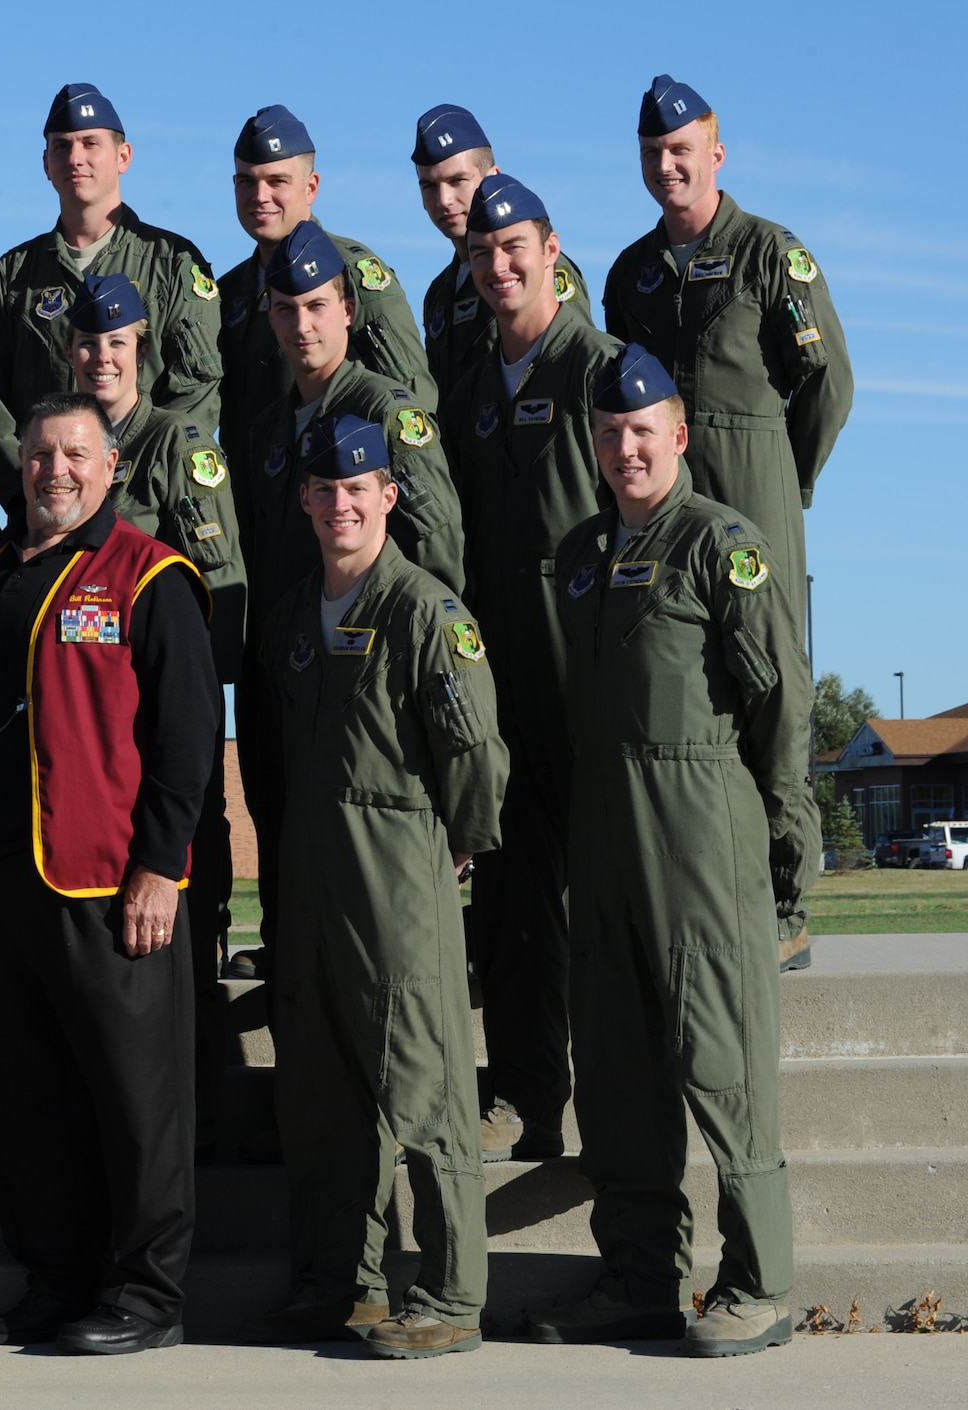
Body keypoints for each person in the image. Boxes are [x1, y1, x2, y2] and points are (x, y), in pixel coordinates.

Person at [0, 393, 221, 1355]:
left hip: (104, 885)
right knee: (26, 1102)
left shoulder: (149, 574)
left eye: (76, 454)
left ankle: (147, 1294)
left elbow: (184, 737)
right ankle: (56, 1280)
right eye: (41, 453)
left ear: (112, 465)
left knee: (134, 1101)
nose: (56, 470)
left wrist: (161, 869)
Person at [530, 346, 804, 1357]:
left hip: (700, 834)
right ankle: (639, 1277)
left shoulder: (717, 545)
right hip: (604, 840)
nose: (624, 448)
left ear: (678, 437)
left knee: (720, 1061)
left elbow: (775, 702)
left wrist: (786, 842)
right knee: (612, 1070)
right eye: (608, 434)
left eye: (641, 431)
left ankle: (759, 1284)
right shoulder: (580, 555)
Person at [243, 413, 507, 1359]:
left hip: (397, 875)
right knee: (319, 1094)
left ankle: (446, 1295)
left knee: (424, 1087)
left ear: (388, 496)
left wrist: (459, 846)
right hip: (310, 881)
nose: (340, 505)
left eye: (359, 489)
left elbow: (475, 749)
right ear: (305, 500)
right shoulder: (288, 622)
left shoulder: (427, 612)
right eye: (324, 490)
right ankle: (339, 1284)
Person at [603, 75, 851, 971]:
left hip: (753, 488)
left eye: (682, 150)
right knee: (682, 688)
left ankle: (786, 899)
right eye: (652, 155)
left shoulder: (769, 255)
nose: (667, 166)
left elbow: (828, 383)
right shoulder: (632, 275)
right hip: (662, 509)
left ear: (717, 151)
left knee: (769, 688)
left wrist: (785, 479)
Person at [441, 176, 621, 1163]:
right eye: (483, 253)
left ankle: (614, 1100)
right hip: (499, 687)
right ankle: (520, 1096)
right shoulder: (465, 392)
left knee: (595, 898)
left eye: (515, 248)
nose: (500, 266)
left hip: (584, 681)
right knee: (507, 900)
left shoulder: (603, 373)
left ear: (551, 251)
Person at [234, 224, 464, 926]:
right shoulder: (267, 429)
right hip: (288, 672)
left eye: (317, 307)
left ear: (348, 312)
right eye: (285, 308)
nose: (301, 325)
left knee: (377, 891)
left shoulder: (388, 414)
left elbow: (440, 546)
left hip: (370, 675)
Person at [60, 271, 244, 1005]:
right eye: (86, 344)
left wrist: (194, 701)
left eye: (116, 342)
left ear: (142, 348)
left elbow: (221, 581)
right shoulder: (65, 446)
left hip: (161, 705)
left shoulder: (178, 443)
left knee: (184, 888)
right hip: (92, 715)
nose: (101, 357)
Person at [0, 83, 223, 513]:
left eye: (91, 144)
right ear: (46, 163)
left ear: (123, 157)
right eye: (61, 146)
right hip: (45, 516)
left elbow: (196, 396)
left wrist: (134, 484)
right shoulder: (13, 277)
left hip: (145, 512)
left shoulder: (172, 264)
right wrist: (32, 499)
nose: (75, 158)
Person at [218, 105, 434, 453]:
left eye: (277, 181)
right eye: (247, 182)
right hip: (255, 497)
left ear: (311, 186)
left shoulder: (351, 273)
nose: (260, 197)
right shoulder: (229, 292)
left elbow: (413, 400)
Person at [410, 104, 590, 405]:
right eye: (429, 186)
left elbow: (578, 368)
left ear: (493, 176)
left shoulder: (541, 269)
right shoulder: (439, 293)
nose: (444, 200)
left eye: (457, 181)